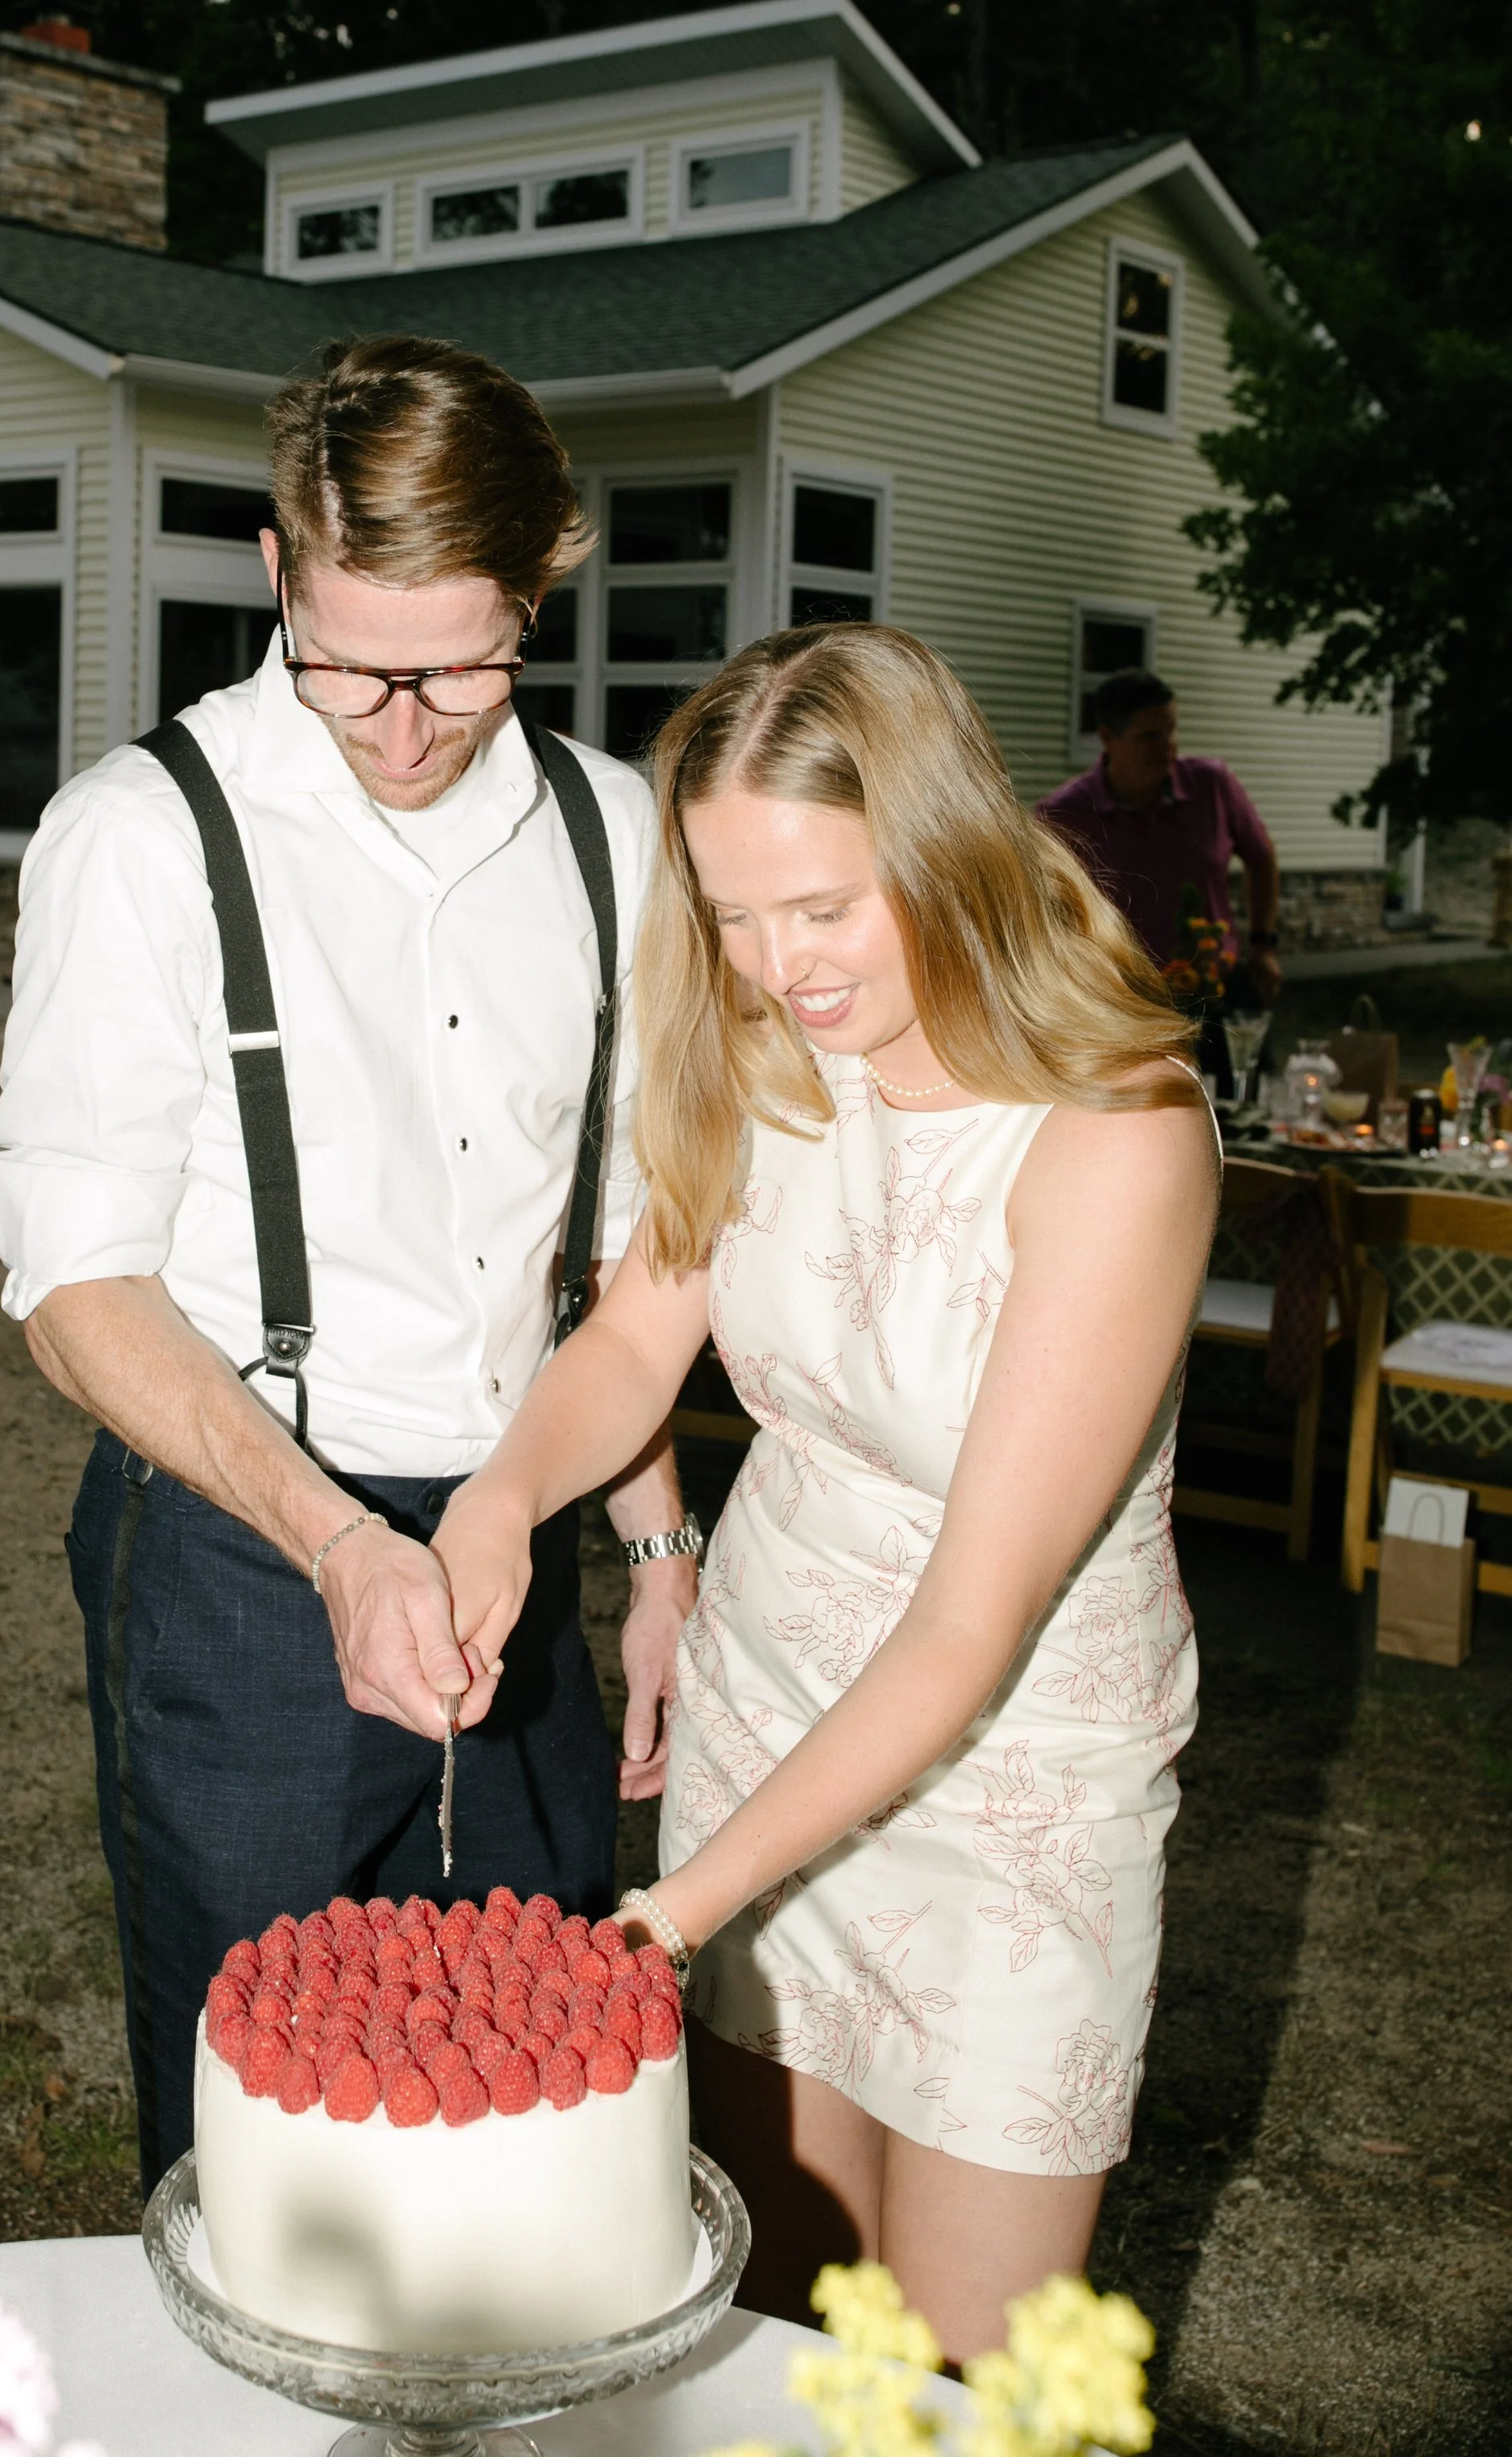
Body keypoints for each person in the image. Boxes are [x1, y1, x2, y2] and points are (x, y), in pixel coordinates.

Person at [0, 335, 700, 2186]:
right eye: (349, 657)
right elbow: (81, 1284)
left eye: (463, 657)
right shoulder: (140, 837)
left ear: (545, 582)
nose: (404, 718)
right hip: (237, 1540)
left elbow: (611, 1243)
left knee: (537, 2084)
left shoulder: (618, 834)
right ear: (279, 568)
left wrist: (660, 1541)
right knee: (263, 2114)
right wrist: (339, 1538)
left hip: (530, 1519)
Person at [432, 626, 1217, 2362]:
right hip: (763, 1712)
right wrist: (502, 1503)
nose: (773, 967)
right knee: (770, 2324)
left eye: (821, 909)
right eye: (727, 914)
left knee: (957, 2376)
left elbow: (967, 1626)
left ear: (943, 849)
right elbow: (635, 1339)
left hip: (1006, 1787)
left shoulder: (1114, 1132)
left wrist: (670, 1915)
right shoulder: (763, 1050)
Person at [1036, 670, 1283, 1036]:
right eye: (1150, 736)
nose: (1168, 746)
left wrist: (1263, 944)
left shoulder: (1212, 785)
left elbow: (1261, 858)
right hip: (1122, 1003)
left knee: (1247, 1088)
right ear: (1107, 738)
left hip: (1218, 990)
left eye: (1171, 730)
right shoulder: (1063, 815)